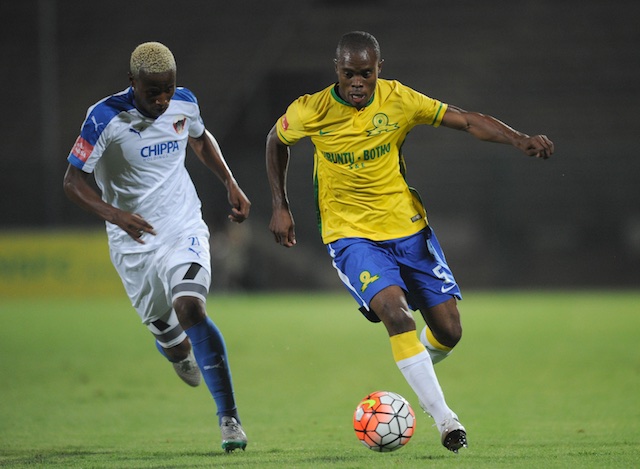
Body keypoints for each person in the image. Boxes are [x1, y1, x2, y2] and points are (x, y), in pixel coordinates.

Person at [266, 31, 553, 453]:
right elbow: (276, 140)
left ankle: (412, 366)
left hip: (409, 230)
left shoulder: (400, 100)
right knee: (397, 316)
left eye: (366, 73)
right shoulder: (311, 109)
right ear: (337, 72)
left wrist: (518, 139)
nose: (358, 82)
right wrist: (280, 204)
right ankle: (445, 419)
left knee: (450, 332)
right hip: (351, 235)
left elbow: (468, 119)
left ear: (380, 68)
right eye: (350, 74)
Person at [63, 41, 251, 452]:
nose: (164, 100)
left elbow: (200, 139)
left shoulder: (183, 103)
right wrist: (116, 215)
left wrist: (229, 181)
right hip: (133, 243)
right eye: (153, 93)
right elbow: (72, 182)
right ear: (133, 83)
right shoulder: (104, 118)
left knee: (191, 307)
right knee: (173, 340)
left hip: (182, 226)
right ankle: (177, 349)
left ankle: (229, 418)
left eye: (169, 89)